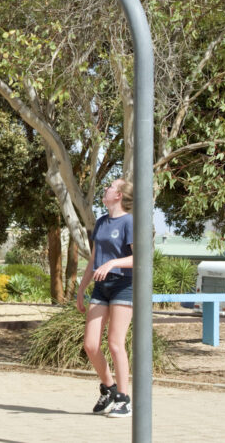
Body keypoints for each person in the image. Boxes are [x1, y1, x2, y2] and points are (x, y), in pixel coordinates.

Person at [76, 177, 135, 418]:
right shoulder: (101, 223)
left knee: (115, 343)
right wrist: (81, 290)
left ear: (119, 195)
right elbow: (93, 260)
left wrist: (112, 263)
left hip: (123, 285)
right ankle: (109, 389)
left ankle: (124, 399)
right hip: (101, 287)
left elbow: (138, 258)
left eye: (111, 186)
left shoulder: (129, 222)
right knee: (90, 345)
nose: (106, 189)